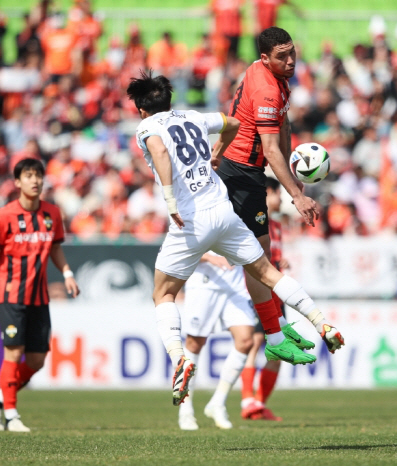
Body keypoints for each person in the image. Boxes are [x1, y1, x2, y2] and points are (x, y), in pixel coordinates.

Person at [126, 70, 344, 406]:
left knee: (163, 293)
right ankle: (322, 323)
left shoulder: (146, 127)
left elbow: (161, 154)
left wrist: (170, 201)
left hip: (190, 221)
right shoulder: (194, 116)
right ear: (170, 100)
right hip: (223, 211)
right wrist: (218, 151)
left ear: (142, 110)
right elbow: (232, 124)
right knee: (268, 272)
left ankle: (179, 359)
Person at [211, 27, 343, 361]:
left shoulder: (266, 74)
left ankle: (279, 324)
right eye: (282, 56)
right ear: (265, 58)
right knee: (257, 260)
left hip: (242, 168)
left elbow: (282, 128)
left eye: (292, 53)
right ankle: (272, 333)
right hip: (241, 173)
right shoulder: (269, 89)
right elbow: (270, 149)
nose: (290, 61)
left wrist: (295, 182)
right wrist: (297, 197)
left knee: (261, 256)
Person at [0, 158, 80, 432]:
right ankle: (11, 415)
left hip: (40, 297)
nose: (35, 180)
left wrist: (67, 273)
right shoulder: (4, 215)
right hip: (12, 296)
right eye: (29, 175)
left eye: (38, 175)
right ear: (17, 182)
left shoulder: (52, 213)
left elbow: (55, 248)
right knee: (13, 352)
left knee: (37, 360)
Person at [177, 252, 255, 430]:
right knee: (194, 343)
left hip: (234, 283)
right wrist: (210, 257)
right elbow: (184, 245)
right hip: (204, 283)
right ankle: (185, 410)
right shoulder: (190, 222)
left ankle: (218, 402)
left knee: (246, 340)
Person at [241, 176, 294, 421]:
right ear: (267, 195)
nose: (280, 199)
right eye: (277, 194)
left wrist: (280, 264)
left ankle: (259, 404)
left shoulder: (277, 226)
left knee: (280, 350)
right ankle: (247, 400)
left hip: (277, 293)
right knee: (253, 341)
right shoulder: (254, 223)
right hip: (259, 291)